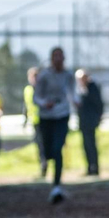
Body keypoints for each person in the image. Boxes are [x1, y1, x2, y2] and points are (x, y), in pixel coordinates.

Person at [34, 48, 75, 204]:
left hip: (62, 115)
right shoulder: (44, 75)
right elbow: (36, 96)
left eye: (60, 56)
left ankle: (56, 185)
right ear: (51, 59)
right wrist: (45, 103)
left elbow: (72, 92)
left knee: (58, 149)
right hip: (46, 116)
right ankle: (46, 162)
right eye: (55, 56)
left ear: (64, 58)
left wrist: (75, 101)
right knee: (48, 151)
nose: (58, 59)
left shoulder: (68, 75)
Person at [74, 68, 104, 177]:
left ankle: (94, 167)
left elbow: (97, 103)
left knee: (91, 145)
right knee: (86, 145)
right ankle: (89, 167)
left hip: (91, 121)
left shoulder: (92, 87)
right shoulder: (80, 89)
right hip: (83, 122)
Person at [23, 66, 44, 179]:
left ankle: (45, 164)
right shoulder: (27, 90)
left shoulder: (43, 89)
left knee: (45, 145)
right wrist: (25, 120)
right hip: (35, 121)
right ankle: (42, 165)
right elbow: (26, 106)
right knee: (39, 145)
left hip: (45, 120)